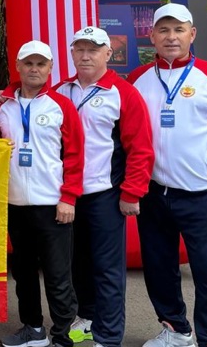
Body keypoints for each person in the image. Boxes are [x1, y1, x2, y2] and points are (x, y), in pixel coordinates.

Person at [129, 3, 207, 347]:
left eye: (179, 30)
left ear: (192, 34)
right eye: (164, 30)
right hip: (154, 194)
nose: (171, 37)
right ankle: (176, 330)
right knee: (159, 269)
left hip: (204, 196)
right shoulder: (137, 79)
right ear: (151, 35)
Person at [55, 27, 155, 347]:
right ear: (71, 53)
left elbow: (140, 146)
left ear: (108, 54)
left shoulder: (122, 92)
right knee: (76, 262)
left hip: (105, 193)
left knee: (108, 269)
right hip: (67, 195)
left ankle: (109, 337)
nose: (85, 55)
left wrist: (132, 191)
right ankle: (87, 316)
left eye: (93, 50)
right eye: (79, 49)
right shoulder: (60, 91)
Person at [0, 40, 84, 347]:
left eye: (40, 64)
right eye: (28, 64)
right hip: (15, 203)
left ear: (50, 69)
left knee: (59, 275)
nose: (34, 69)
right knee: (23, 272)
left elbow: (74, 154)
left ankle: (62, 335)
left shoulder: (61, 106)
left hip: (52, 204)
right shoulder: (3, 109)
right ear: (18, 67)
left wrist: (68, 197)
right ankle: (33, 328)